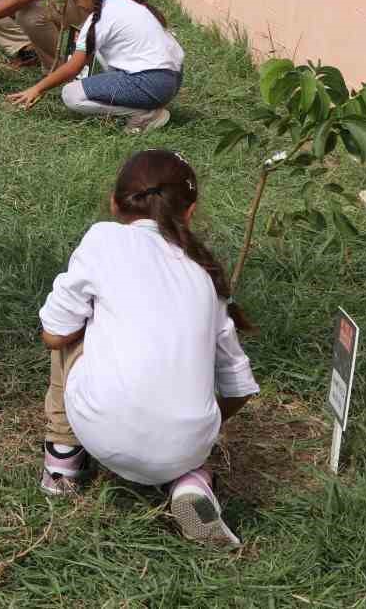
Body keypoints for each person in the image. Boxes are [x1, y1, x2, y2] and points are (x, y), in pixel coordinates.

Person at [37, 149, 257, 548]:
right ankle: (192, 479)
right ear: (190, 212)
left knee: (76, 327)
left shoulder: (103, 239)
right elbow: (239, 387)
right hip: (187, 446)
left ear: (114, 202)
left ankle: (62, 461)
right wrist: (200, 428)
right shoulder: (206, 274)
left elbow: (53, 334)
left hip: (100, 426)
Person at [6, 0, 185, 133]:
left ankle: (145, 115)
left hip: (150, 83)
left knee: (71, 94)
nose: (76, 4)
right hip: (173, 80)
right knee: (99, 52)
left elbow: (73, 68)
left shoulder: (98, 20)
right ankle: (145, 105)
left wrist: (37, 88)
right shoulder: (129, 2)